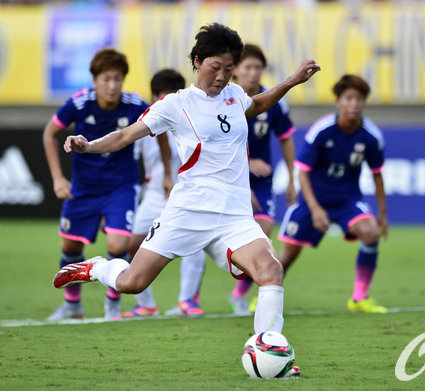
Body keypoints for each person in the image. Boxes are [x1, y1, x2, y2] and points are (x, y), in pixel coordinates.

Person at [53, 23, 319, 376]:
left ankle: (270, 355)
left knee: (271, 271)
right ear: (197, 61)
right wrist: (89, 145)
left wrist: (290, 81)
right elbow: (125, 135)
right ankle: (95, 267)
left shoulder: (235, 96)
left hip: (234, 217)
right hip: (188, 212)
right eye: (215, 67)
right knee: (133, 283)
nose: (222, 76)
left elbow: (255, 105)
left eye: (229, 68)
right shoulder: (175, 105)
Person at [43, 48, 149, 321]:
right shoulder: (79, 104)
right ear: (95, 80)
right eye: (106, 79)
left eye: (117, 79)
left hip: (121, 186)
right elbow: (49, 133)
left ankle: (113, 302)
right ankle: (72, 304)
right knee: (70, 247)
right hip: (84, 187)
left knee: (118, 243)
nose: (112, 86)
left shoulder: (136, 105)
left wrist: (165, 174)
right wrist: (57, 178)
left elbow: (158, 131)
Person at [278, 75, 389, 314]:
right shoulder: (322, 130)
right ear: (338, 101)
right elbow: (303, 173)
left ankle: (359, 298)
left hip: (347, 200)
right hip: (312, 200)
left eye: (359, 99)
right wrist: (316, 209)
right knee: (287, 255)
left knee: (370, 233)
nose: (354, 104)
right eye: (349, 98)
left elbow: (378, 175)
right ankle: (257, 296)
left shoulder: (371, 136)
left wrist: (382, 213)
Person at [121, 69, 206, 318]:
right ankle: (146, 304)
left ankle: (187, 300)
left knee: (195, 244)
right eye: (161, 97)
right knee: (131, 244)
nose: (166, 102)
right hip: (155, 195)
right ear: (154, 97)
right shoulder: (146, 125)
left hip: (187, 195)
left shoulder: (192, 123)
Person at [227, 43, 298, 316]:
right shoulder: (225, 98)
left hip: (263, 181)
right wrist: (246, 165)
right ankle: (191, 297)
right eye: (248, 67)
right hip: (231, 179)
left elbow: (286, 139)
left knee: (264, 230)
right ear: (236, 70)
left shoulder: (273, 99)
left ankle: (239, 294)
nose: (254, 73)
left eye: (258, 67)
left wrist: (291, 178)